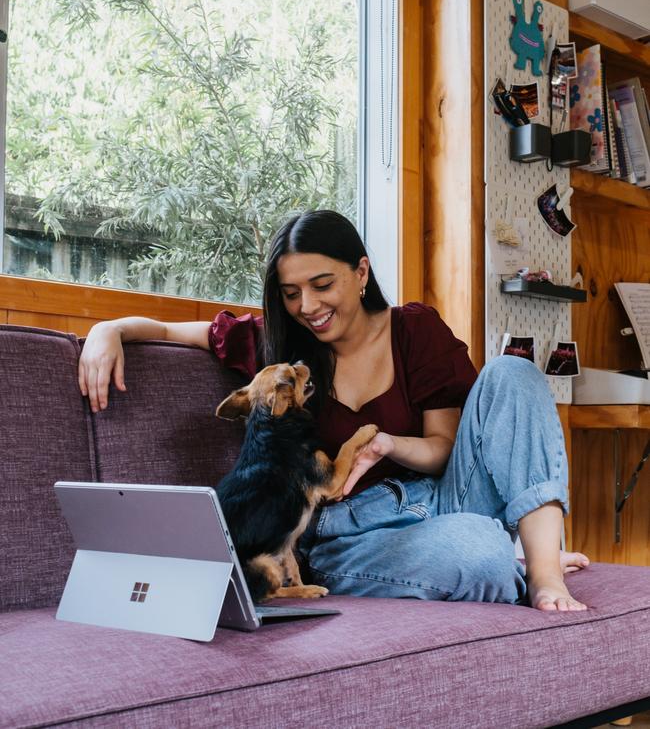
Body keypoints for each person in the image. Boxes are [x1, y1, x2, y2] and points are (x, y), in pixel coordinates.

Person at [79, 209, 589, 612]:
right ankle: (512, 554)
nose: (307, 306)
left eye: (322, 285)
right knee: (479, 553)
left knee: (514, 372)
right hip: (348, 535)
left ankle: (543, 572)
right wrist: (109, 331)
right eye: (291, 292)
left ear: (361, 271)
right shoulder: (274, 347)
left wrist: (387, 444)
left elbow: (445, 452)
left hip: (441, 497)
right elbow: (171, 332)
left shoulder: (415, 331)